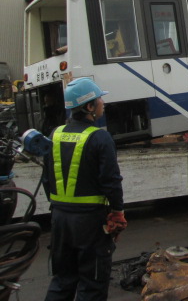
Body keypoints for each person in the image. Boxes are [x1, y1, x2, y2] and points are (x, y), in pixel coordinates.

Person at [42, 77, 126, 301]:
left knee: (62, 280)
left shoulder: (54, 135)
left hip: (60, 219)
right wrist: (117, 212)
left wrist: (60, 207)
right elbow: (111, 181)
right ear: (89, 107)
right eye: (99, 100)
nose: (103, 104)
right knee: (92, 284)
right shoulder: (100, 137)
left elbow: (46, 180)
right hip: (90, 223)